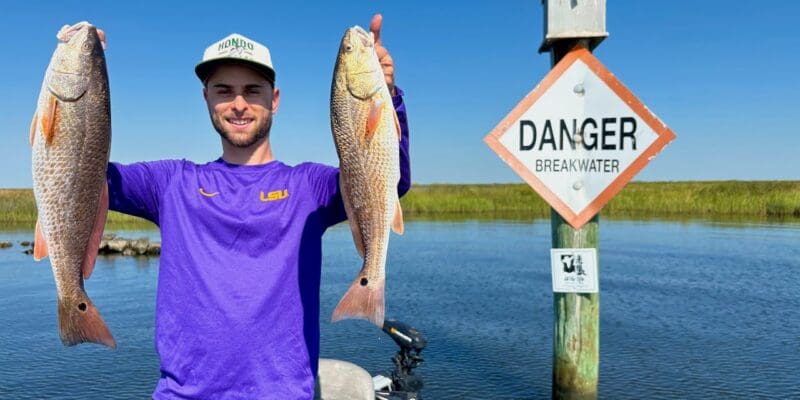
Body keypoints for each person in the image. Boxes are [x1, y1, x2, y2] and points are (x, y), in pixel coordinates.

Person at [106, 14, 410, 399]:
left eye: (252, 90)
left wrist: (387, 99)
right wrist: (86, 78)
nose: (238, 104)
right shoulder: (170, 183)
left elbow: (388, 182)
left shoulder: (308, 187)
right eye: (223, 90)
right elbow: (89, 178)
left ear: (274, 99)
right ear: (206, 98)